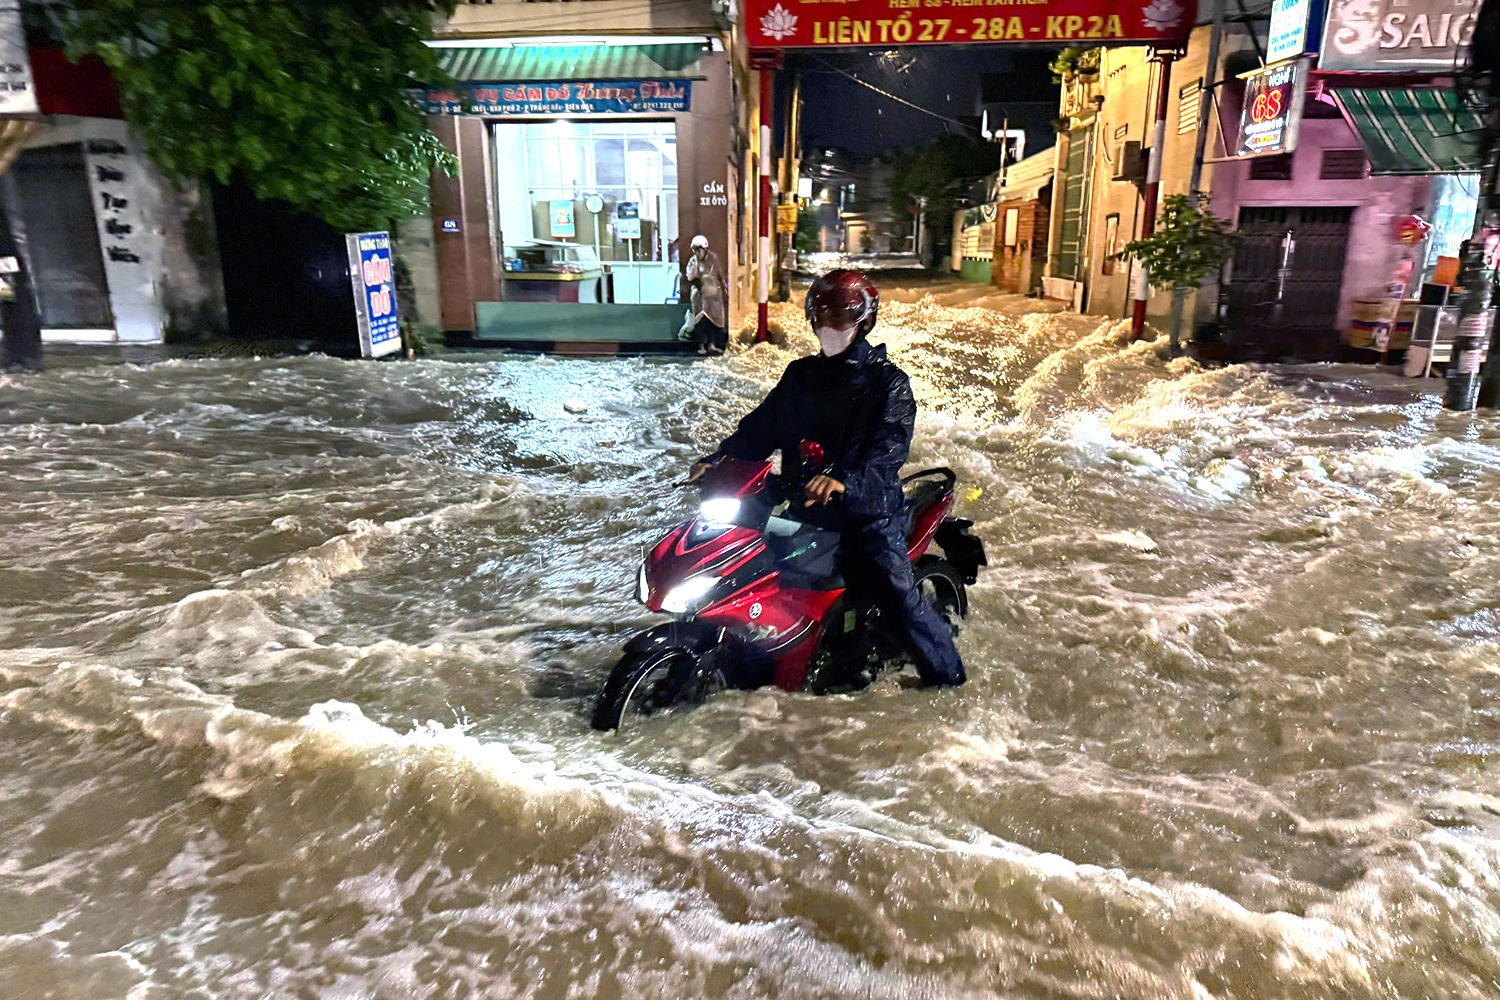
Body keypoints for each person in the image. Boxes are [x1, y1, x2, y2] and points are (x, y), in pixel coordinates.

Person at [688, 269, 965, 688]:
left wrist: (845, 483)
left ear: (864, 320)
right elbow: (758, 430)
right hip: (801, 499)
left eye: (841, 316)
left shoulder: (889, 385)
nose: (830, 326)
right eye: (822, 316)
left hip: (867, 511)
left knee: (897, 596)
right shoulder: (801, 377)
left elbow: (886, 455)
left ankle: (947, 676)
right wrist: (718, 460)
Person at [685, 235, 728, 355]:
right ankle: (701, 345)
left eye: (699, 249)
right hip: (700, 295)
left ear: (705, 249)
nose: (697, 252)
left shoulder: (713, 258)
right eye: (695, 250)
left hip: (714, 295)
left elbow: (719, 274)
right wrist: (701, 286)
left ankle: (712, 344)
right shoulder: (693, 261)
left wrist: (724, 289)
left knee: (715, 320)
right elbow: (690, 277)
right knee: (700, 320)